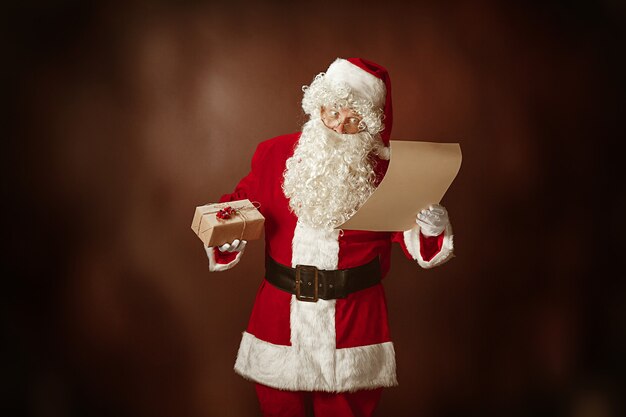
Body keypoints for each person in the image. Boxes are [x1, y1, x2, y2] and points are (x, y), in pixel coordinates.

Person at [204, 58, 454, 417]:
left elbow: (416, 238)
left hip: (354, 324)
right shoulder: (274, 154)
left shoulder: (385, 170)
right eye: (333, 111)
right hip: (279, 322)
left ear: (368, 125)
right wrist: (225, 238)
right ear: (318, 105)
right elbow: (237, 209)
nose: (339, 125)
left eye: (354, 119)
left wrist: (432, 227)